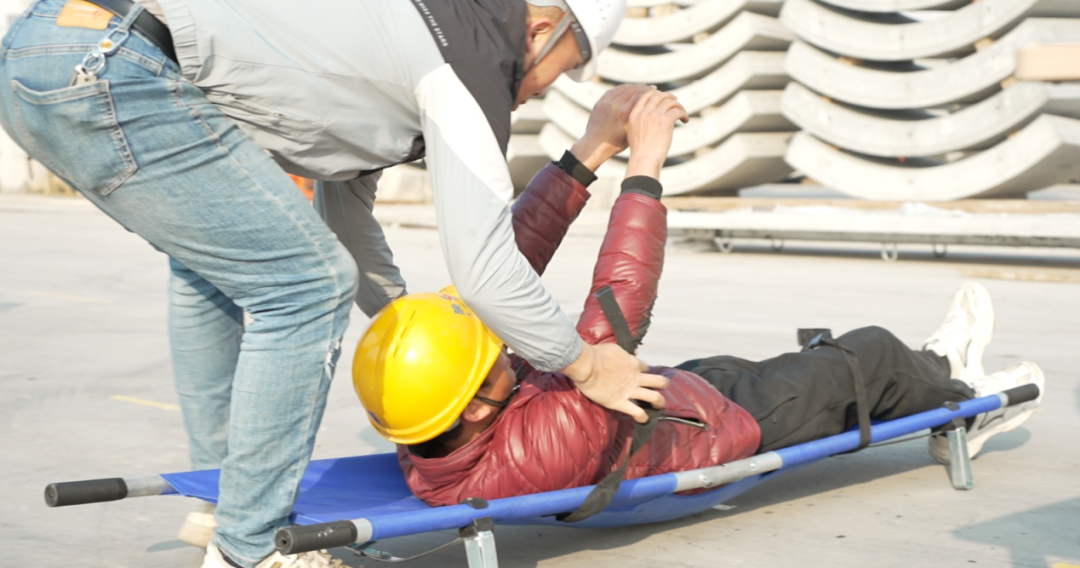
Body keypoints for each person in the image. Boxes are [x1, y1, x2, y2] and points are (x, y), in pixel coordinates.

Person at [0, 1, 669, 567]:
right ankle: (250, 546)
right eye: (566, 66)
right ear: (542, 28)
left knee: (214, 268)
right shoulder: (471, 56)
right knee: (307, 286)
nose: (550, 88)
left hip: (47, 47)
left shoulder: (406, 42)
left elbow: (348, 227)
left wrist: (427, 345)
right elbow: (485, 270)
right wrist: (587, 366)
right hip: (114, 63)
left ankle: (222, 503)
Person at [354, 89, 1046, 508]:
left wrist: (589, 150)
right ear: (478, 405)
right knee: (866, 357)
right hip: (714, 434)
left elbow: (498, 273)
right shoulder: (543, 447)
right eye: (494, 361)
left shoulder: (433, 413)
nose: (502, 349)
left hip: (673, 402)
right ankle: (961, 395)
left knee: (791, 364)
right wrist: (645, 166)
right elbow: (616, 311)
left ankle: (934, 371)